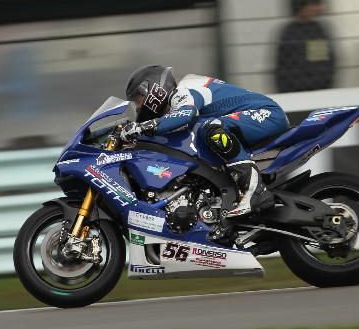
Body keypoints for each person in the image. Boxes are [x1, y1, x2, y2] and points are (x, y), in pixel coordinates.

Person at [120, 65, 289, 236]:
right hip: (249, 120)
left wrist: (142, 127)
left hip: (267, 113)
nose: (138, 106)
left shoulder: (184, 90)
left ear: (155, 89)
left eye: (138, 99)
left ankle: (256, 190)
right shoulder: (177, 102)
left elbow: (186, 115)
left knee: (211, 128)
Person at [275, 0, 336, 92]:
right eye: (312, 5)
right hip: (297, 87)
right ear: (303, 8)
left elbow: (322, 59)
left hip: (316, 85)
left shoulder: (316, 29)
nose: (317, 8)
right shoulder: (292, 31)